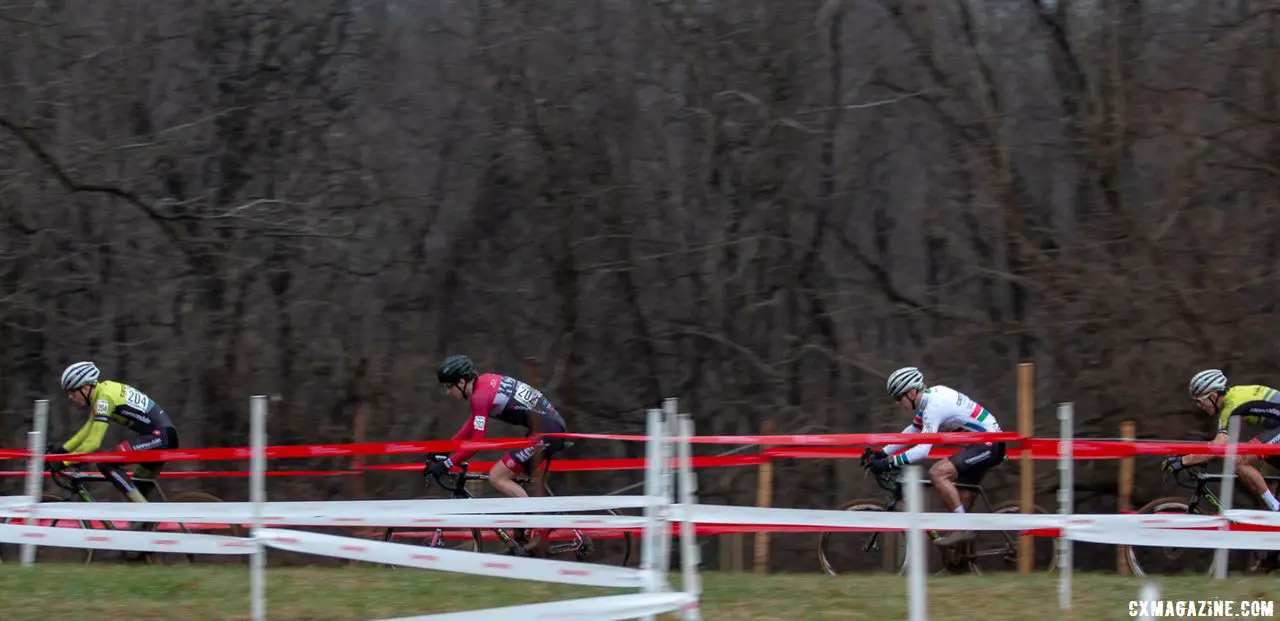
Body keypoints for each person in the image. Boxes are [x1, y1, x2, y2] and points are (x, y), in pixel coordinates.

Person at [864, 366, 1006, 546]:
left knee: (938, 473)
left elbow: (923, 451)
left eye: (899, 397)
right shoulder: (928, 400)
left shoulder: (934, 407)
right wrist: (883, 452)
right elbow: (912, 432)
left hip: (990, 444)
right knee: (961, 501)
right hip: (981, 443)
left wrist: (889, 463)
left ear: (912, 392)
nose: (897, 402)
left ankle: (964, 528)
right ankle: (958, 563)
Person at [428, 354, 568, 500]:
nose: (448, 392)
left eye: (449, 386)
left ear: (461, 382)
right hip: (548, 428)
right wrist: (444, 450)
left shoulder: (480, 398)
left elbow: (476, 444)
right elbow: (470, 427)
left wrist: (446, 464)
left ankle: (530, 520)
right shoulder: (486, 382)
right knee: (506, 476)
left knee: (497, 477)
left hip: (546, 433)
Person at [47, 361, 179, 504]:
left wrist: (65, 461)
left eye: (72, 392)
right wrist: (62, 450)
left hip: (159, 437)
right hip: (161, 436)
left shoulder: (104, 399)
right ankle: (146, 520)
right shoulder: (102, 393)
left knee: (105, 463)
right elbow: (86, 431)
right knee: (138, 488)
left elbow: (94, 442)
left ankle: (143, 510)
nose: (70, 397)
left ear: (85, 388)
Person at [1163, 369, 1280, 512]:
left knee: (1240, 461)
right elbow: (1215, 444)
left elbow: (1219, 446)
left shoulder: (1232, 405)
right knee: (1266, 484)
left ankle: (1276, 509)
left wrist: (1183, 461)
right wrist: (1187, 455)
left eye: (1200, 401)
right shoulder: (1230, 402)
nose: (1199, 406)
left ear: (1212, 395)